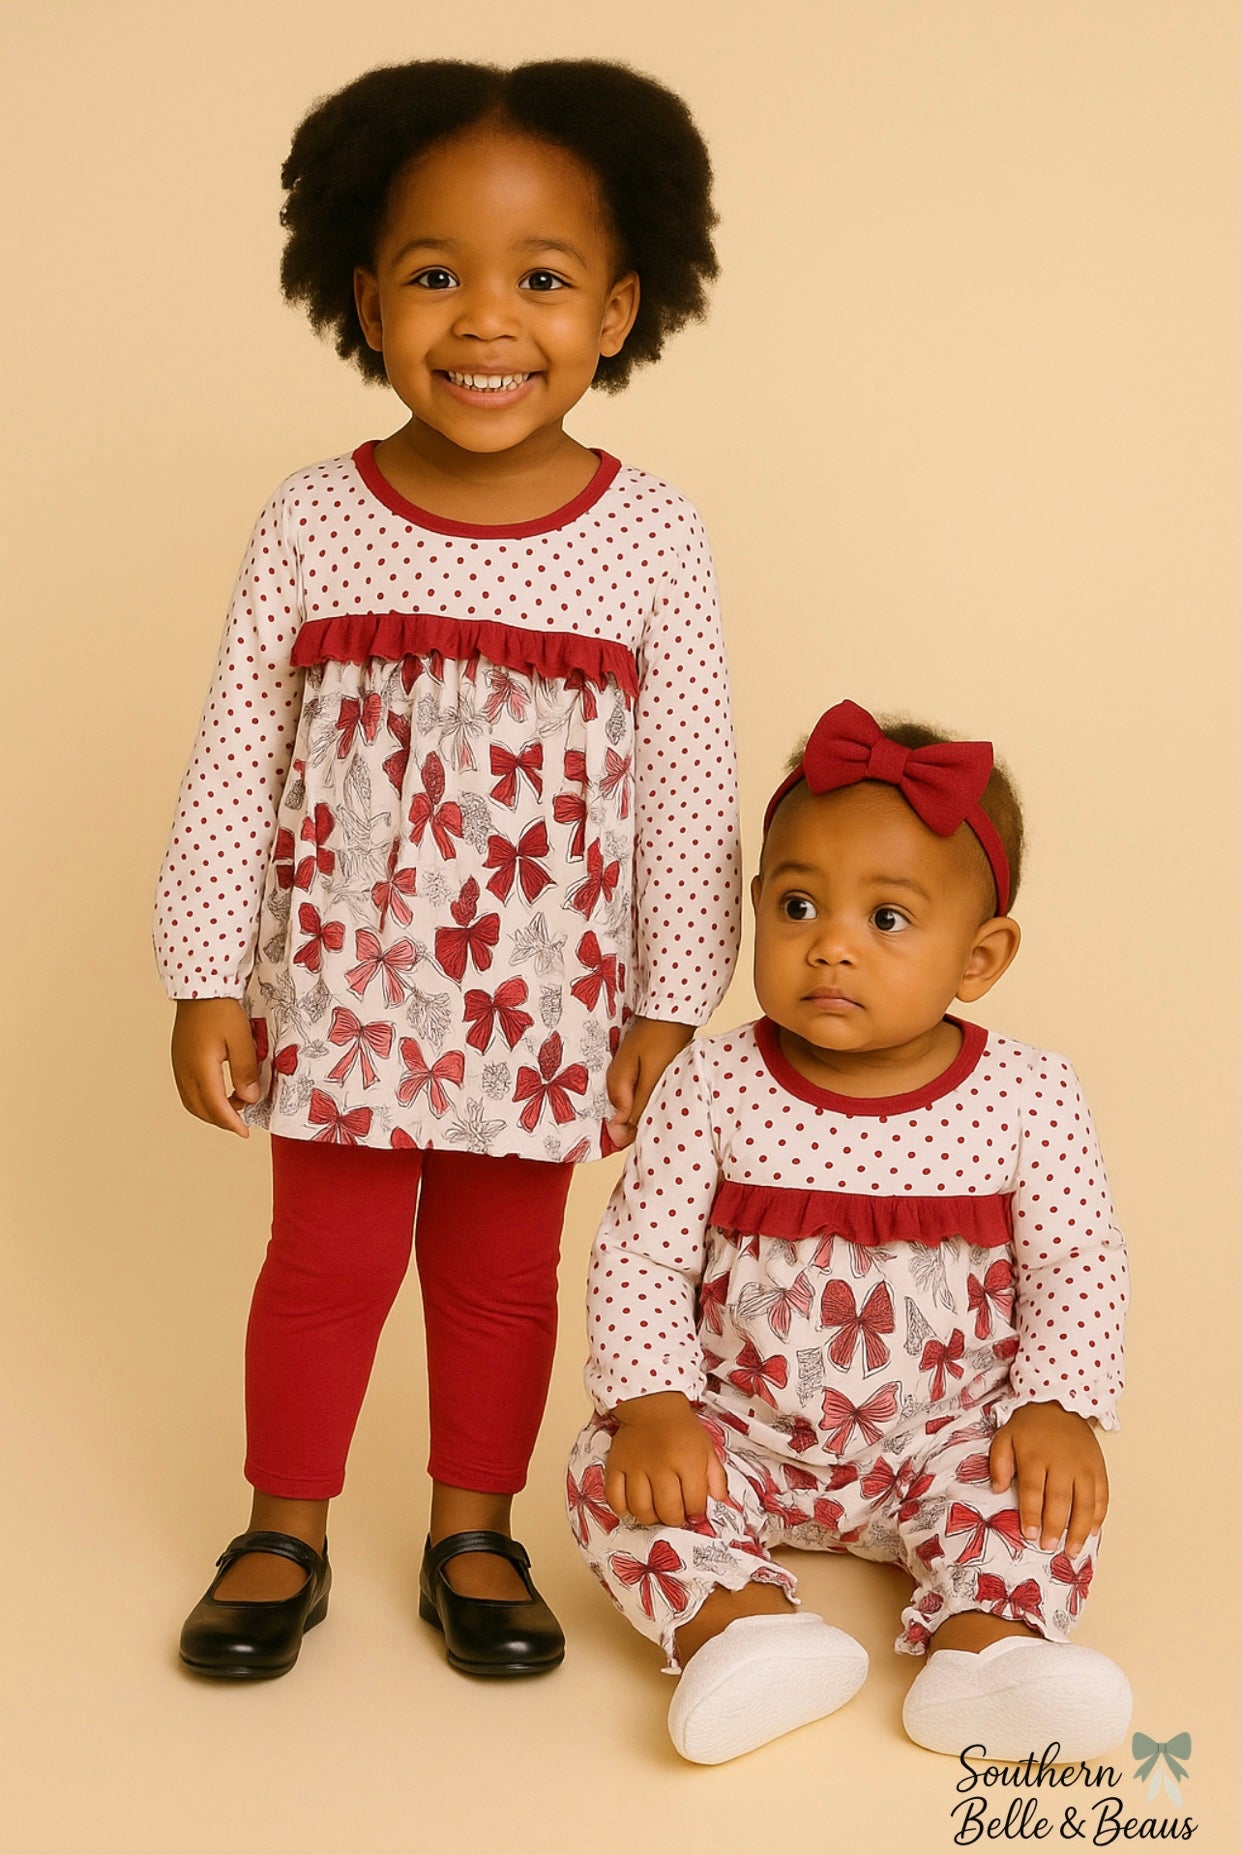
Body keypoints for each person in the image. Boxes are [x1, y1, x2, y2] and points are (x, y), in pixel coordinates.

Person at [155, 58, 740, 1683]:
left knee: (499, 1279)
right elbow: (234, 757)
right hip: (337, 992)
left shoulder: (651, 539)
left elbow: (692, 788)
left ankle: (469, 1532)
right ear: (364, 295)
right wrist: (207, 970)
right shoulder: (311, 519)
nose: (487, 320)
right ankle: (283, 1525)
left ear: (618, 308)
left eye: (540, 280)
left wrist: (665, 1004)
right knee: (323, 1268)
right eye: (436, 276)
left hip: (546, 1002)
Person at [567, 699, 1131, 1762]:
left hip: (946, 1439)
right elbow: (642, 1251)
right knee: (605, 1471)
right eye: (796, 904)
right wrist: (650, 1408)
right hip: (740, 1437)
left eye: (886, 919)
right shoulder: (711, 1083)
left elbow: (1075, 1260)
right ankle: (739, 1632)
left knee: (1039, 1499)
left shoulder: (1029, 1097)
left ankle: (986, 1651)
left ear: (981, 956)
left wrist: (1061, 1404)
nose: (830, 945)